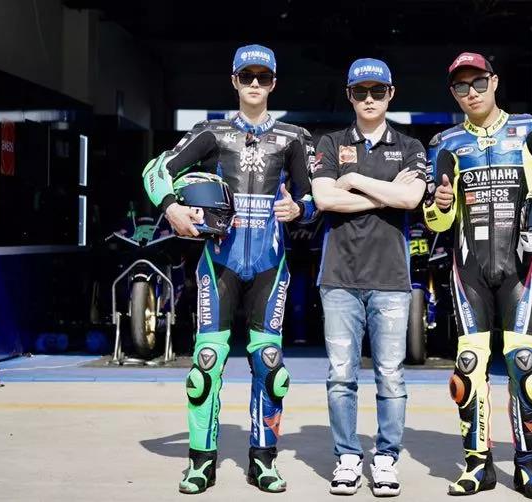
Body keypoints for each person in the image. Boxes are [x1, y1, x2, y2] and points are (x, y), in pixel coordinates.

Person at [422, 53, 532, 499]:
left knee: (525, 365)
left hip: (521, 268)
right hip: (468, 272)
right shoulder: (445, 143)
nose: (471, 92)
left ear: (495, 81)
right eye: (461, 86)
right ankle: (477, 466)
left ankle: (529, 468)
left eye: (478, 82)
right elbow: (435, 220)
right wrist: (440, 205)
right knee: (468, 368)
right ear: (453, 93)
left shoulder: (529, 130)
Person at [142, 44, 317, 495]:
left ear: (273, 83)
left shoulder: (293, 138)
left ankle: (264, 461)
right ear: (234, 81)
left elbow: (314, 198)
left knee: (271, 366)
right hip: (217, 264)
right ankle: (200, 463)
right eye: (247, 76)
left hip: (270, 268)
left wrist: (299, 209)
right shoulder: (211, 133)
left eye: (263, 77)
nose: (255, 84)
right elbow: (155, 171)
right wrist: (172, 208)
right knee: (205, 367)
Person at [311, 58, 427, 497]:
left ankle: (385, 459)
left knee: (390, 376)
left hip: (392, 279)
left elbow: (412, 198)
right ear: (350, 96)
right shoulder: (330, 142)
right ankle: (347, 457)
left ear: (390, 94)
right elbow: (324, 199)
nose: (369, 98)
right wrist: (386, 196)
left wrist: (355, 180)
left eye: (378, 90)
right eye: (360, 91)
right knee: (341, 375)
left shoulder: (411, 146)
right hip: (338, 278)